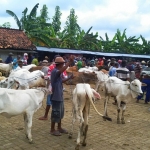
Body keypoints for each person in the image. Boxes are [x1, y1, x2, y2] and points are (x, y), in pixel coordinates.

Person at [50, 55, 74, 136]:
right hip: (56, 96)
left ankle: (59, 127)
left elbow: (61, 81)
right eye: (63, 64)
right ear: (60, 64)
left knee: (60, 112)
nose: (64, 65)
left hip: (59, 95)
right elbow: (61, 71)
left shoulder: (57, 71)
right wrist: (69, 62)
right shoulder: (55, 71)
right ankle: (52, 129)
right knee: (55, 112)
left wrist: (69, 78)